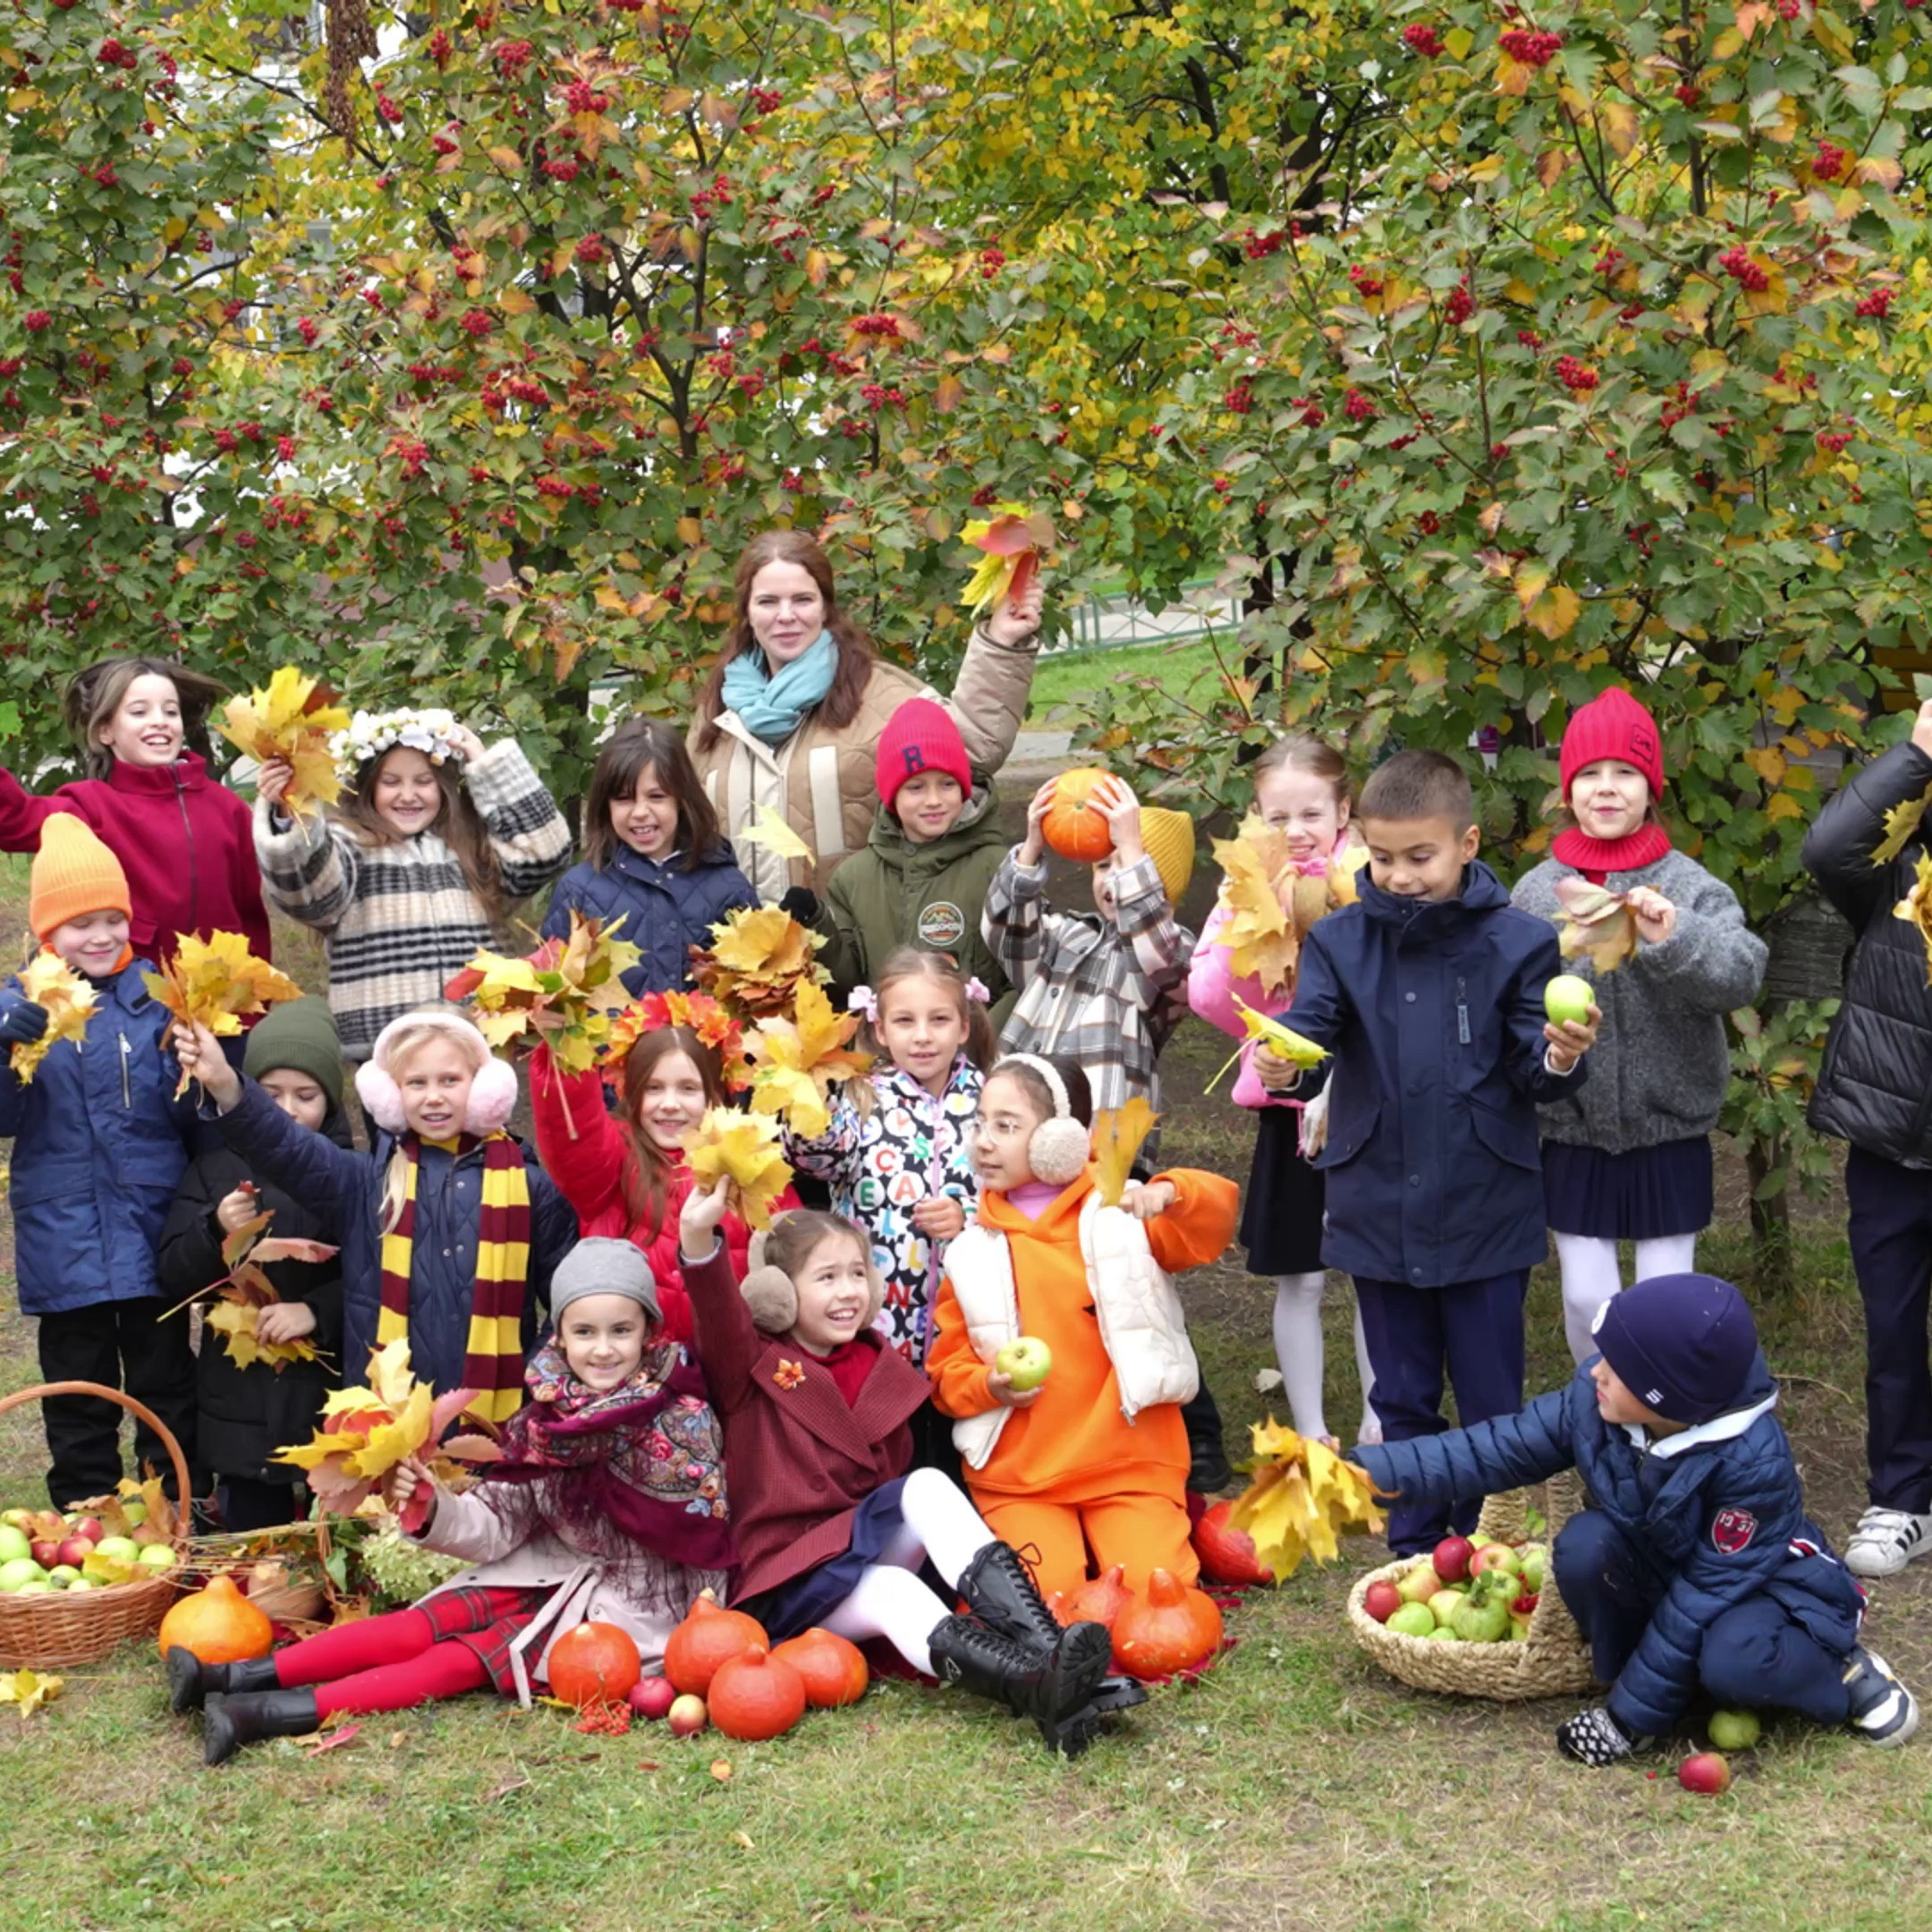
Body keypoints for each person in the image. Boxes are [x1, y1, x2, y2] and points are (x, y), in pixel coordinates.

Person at [171, 1238, 734, 1764]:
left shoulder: (680, 1417)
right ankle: (229, 1676)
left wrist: (685, 1644)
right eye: (585, 1331)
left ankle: (260, 1716)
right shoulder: (548, 1419)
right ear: (560, 1335)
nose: (604, 1349)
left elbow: (700, 1541)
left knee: (459, 1661)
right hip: (551, 1573)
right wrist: (431, 1504)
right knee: (417, 1626)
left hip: (633, 1610)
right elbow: (498, 1521)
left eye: (621, 1330)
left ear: (648, 1332)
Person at [1349, 1275, 1917, 1759]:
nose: (1596, 1371)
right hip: (1667, 1568)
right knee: (1585, 1546)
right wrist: (1361, 1474)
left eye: (1617, 1368)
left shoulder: (1752, 1464)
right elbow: (1488, 1451)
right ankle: (1644, 1682)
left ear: (1667, 1398)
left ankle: (1841, 1672)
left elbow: (1702, 1595)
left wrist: (1627, 1724)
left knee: (1735, 1661)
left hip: (1763, 1591)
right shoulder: (1592, 1400)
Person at [678, 1180, 1140, 1755]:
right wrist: (699, 1235)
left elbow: (902, 1502)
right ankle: (1039, 1684)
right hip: (790, 1579)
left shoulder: (883, 1366)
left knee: (923, 1482)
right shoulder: (752, 1366)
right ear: (780, 1295)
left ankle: (1052, 1666)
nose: (847, 1291)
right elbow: (718, 1314)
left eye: (856, 1273)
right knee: (894, 1587)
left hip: (856, 1549)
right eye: (825, 1278)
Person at [1281, 749, 1600, 1554]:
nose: (1399, 875)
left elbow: (1536, 1070)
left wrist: (1561, 1055)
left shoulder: (1520, 943)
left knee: (1494, 1397)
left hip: (1484, 1204)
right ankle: (1415, 1543)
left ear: (1466, 842)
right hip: (1376, 1202)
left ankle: (1493, 1538)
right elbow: (1309, 1034)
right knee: (1402, 1390)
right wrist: (1284, 1059)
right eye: (1381, 858)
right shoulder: (1339, 941)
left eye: (1418, 857)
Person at [983, 771, 1230, 1489]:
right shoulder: (1060, 939)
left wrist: (1132, 854)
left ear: (1157, 883)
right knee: (1052, 1281)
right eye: (1099, 868)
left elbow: (1165, 957)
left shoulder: (1168, 954)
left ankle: (1197, 1425)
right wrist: (1031, 851)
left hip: (1113, 1143)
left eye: (1121, 867)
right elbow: (1007, 933)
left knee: (1128, 1285)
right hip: (1033, 1134)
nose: (1107, 882)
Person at [1512, 685, 1767, 1361]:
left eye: (1625, 772)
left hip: (1668, 1129)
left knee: (1664, 1299)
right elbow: (1508, 1000)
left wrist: (1674, 936)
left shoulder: (1688, 886)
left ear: (1651, 788)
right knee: (1586, 1299)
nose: (1606, 788)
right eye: (1589, 774)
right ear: (1567, 790)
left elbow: (1742, 975)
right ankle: (1599, 1412)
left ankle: (1659, 1421)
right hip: (1572, 1128)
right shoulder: (1538, 892)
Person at [926, 1054, 1239, 1598]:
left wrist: (1171, 1191)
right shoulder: (970, 1252)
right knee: (1043, 1611)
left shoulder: (1123, 1215)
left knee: (1155, 1599)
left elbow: (1213, 1220)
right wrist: (989, 1387)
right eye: (980, 1122)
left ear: (1060, 1140)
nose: (983, 1141)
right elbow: (947, 1375)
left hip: (1130, 1463)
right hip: (1021, 1478)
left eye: (1006, 1126)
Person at [174, 1005, 577, 1415]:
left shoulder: (532, 1189)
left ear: (485, 1088)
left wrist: (538, 1378)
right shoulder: (365, 1183)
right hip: (386, 1423)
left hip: (499, 1423)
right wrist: (225, 1084)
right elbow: (287, 1147)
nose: (433, 1096)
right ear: (390, 1096)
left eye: (450, 1080)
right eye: (416, 1082)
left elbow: (570, 1303)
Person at [0, 817, 201, 1503]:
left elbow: (188, 1118)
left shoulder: (159, 1002)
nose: (102, 935)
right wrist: (5, 1053)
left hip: (150, 1226)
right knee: (79, 1392)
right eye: (82, 922)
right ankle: (85, 1514)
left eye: (114, 918)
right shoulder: (20, 1006)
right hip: (65, 1237)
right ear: (48, 933)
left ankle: (174, 1509)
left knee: (165, 1379)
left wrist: (190, 1067)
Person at [1189, 734, 1379, 1446]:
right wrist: (1255, 925)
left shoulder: (1370, 879)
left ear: (1343, 809)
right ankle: (1310, 1428)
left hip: (1367, 1102)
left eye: (1311, 814)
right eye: (1278, 817)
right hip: (1288, 1105)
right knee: (1301, 1276)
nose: (1295, 833)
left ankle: (1379, 1416)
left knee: (1372, 1274)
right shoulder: (1245, 885)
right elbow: (1206, 993)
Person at [686, 530, 1044, 903]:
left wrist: (1001, 642)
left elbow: (974, 747)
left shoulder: (879, 696)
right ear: (746, 611)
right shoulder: (718, 711)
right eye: (768, 601)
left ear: (825, 608)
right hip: (746, 950)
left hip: (851, 948)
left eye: (803, 599)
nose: (786, 615)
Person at [1801, 694, 1932, 1578]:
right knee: (1891, 1322)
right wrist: (1915, 753)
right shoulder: (1898, 856)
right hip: (1893, 1128)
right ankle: (1902, 1495)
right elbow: (1825, 849)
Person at [253, 707, 570, 1061]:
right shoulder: (350, 847)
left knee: (486, 1119)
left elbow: (545, 854)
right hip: (389, 1051)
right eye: (391, 782)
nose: (408, 795)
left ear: (444, 786)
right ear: (368, 787)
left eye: (423, 781)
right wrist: (294, 810)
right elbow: (307, 892)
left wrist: (486, 764)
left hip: (480, 1041)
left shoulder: (470, 847)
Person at [158, 998, 351, 1534]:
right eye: (271, 1095)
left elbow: (373, 1274)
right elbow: (175, 1276)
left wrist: (316, 1310)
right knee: (254, 1547)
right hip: (238, 1396)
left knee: (329, 1539)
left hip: (323, 1387)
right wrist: (214, 1229)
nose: (288, 1109)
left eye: (306, 1096)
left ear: (331, 1103)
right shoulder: (213, 1171)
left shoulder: (346, 1175)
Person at [529, 992, 798, 1330]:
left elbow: (790, 1255)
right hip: (636, 1367)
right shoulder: (613, 1160)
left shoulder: (752, 1162)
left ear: (716, 1093)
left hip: (730, 1359)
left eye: (688, 1089)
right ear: (631, 1092)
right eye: (654, 1088)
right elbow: (574, 1131)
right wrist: (564, 1055)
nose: (669, 1104)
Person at [786, 949, 995, 1364]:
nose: (922, 1035)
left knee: (955, 1420)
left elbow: (1016, 1193)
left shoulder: (989, 1099)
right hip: (876, 1325)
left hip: (966, 1322)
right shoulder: (860, 1094)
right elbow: (818, 1161)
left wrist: (968, 1216)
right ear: (880, 1030)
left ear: (964, 1027)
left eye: (939, 1019)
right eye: (904, 1021)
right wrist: (812, 1103)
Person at [0, 656, 270, 971]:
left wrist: (254, 995)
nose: (159, 721)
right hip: (137, 996)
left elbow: (250, 910)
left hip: (223, 991)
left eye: (170, 711)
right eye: (139, 712)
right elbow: (14, 822)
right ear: (106, 732)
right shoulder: (90, 805)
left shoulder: (228, 807)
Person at [814, 699, 1014, 1025]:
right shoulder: (852, 879)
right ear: (892, 796)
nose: (934, 800)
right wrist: (818, 926)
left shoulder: (1000, 868)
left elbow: (1026, 977)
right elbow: (846, 986)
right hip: (885, 1061)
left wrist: (981, 1047)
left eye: (947, 784)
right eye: (916, 787)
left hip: (975, 1065)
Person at [540, 718, 754, 998]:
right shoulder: (579, 890)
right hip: (610, 1041)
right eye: (624, 799)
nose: (640, 812)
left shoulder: (727, 887)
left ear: (681, 799)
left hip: (702, 1040)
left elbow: (756, 993)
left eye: (656, 797)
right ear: (606, 806)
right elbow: (549, 993)